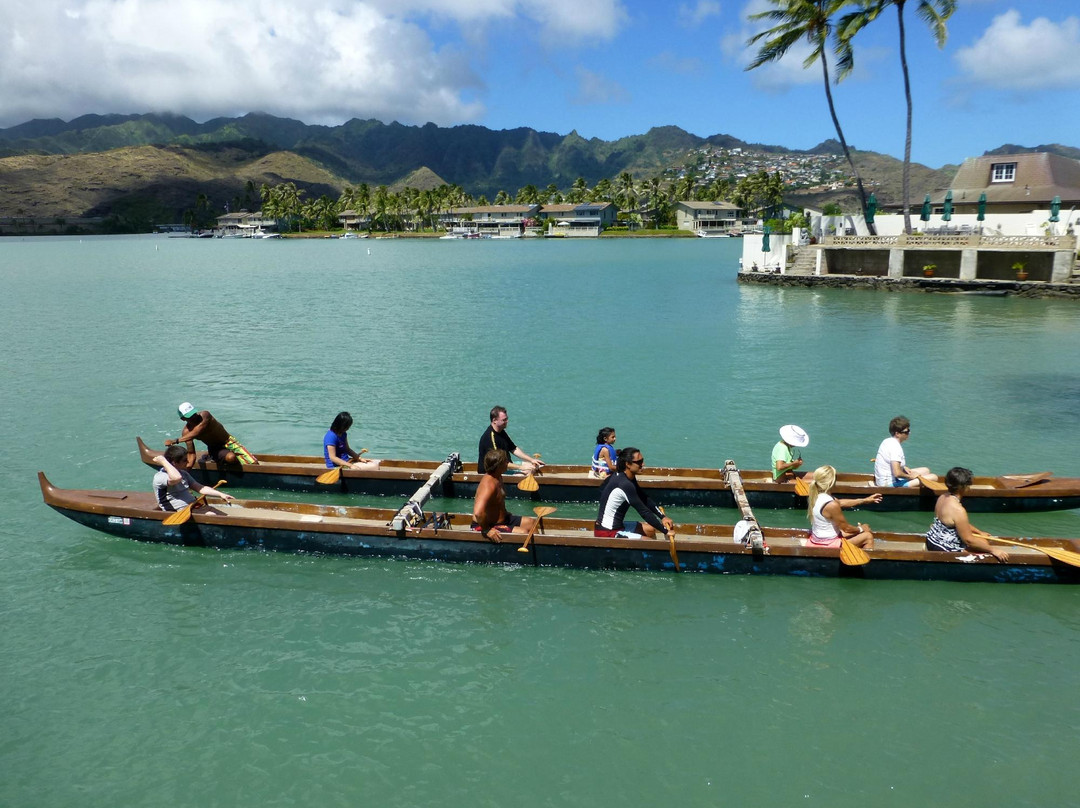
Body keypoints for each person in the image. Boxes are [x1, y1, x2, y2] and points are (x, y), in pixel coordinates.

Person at [925, 467, 1009, 562]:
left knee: (983, 541)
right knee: (984, 547)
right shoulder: (958, 510)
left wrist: (979, 532)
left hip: (931, 540)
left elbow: (959, 524)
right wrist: (993, 550)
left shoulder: (942, 497)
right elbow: (968, 540)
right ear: (963, 487)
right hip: (942, 547)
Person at [595, 447, 675, 539]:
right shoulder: (624, 484)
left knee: (650, 530)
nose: (643, 464)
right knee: (648, 542)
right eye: (639, 462)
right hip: (607, 532)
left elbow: (644, 498)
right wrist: (665, 531)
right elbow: (644, 512)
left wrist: (663, 517)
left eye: (642, 460)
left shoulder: (628, 477)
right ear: (628, 464)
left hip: (618, 526)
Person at [806, 465, 881, 550]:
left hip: (818, 539)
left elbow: (840, 502)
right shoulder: (831, 504)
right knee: (868, 536)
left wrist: (865, 500)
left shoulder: (816, 496)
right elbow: (846, 528)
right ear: (832, 482)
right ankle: (863, 562)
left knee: (852, 532)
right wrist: (861, 529)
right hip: (828, 544)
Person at [471, 449, 536, 543]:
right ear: (498, 466)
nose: (508, 463)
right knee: (523, 532)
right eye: (506, 461)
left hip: (503, 520)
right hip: (483, 526)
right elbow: (478, 513)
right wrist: (487, 530)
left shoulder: (498, 477)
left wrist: (505, 513)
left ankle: (539, 549)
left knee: (531, 523)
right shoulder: (488, 485)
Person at [165, 402, 257, 468]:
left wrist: (176, 441)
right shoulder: (186, 433)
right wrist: (187, 472)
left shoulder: (205, 415)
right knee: (231, 457)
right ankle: (219, 460)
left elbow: (197, 431)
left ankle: (220, 460)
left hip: (229, 441)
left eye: (194, 414)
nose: (194, 417)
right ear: (183, 419)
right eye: (190, 416)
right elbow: (191, 453)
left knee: (254, 463)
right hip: (215, 449)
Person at [152, 444, 236, 512]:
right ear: (174, 462)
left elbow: (200, 488)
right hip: (177, 510)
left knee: (219, 513)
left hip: (192, 505)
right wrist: (163, 461)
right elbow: (176, 478)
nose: (188, 462)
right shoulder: (161, 477)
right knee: (211, 515)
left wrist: (221, 494)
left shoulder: (183, 473)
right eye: (185, 460)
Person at [477, 406, 543, 474]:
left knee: (532, 466)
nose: (507, 421)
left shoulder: (501, 432)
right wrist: (521, 467)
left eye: (507, 419)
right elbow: (499, 463)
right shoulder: (490, 438)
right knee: (527, 472)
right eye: (504, 420)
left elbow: (513, 449)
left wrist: (532, 460)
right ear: (494, 421)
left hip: (505, 465)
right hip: (492, 472)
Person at [874, 416, 936, 487]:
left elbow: (891, 463)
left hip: (883, 480)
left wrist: (904, 467)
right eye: (906, 432)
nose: (909, 433)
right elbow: (897, 473)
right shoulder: (896, 447)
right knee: (934, 477)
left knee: (926, 470)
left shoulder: (887, 441)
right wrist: (910, 477)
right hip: (889, 484)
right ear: (897, 434)